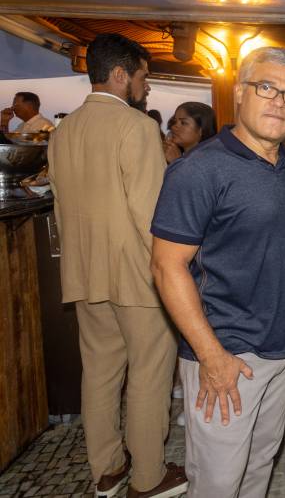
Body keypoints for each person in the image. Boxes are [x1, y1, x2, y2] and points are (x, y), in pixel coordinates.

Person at [150, 47, 285, 497]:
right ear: (239, 92)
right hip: (226, 353)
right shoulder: (198, 170)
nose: (279, 102)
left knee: (258, 469)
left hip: (281, 348)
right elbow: (166, 266)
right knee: (218, 484)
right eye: (267, 88)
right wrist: (211, 356)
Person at [48, 33, 187, 498]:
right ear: (122, 74)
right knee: (149, 373)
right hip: (137, 274)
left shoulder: (62, 131)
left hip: (85, 274)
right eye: (144, 76)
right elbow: (152, 214)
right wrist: (173, 272)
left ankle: (106, 469)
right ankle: (148, 477)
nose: (146, 87)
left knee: (101, 373)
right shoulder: (137, 127)